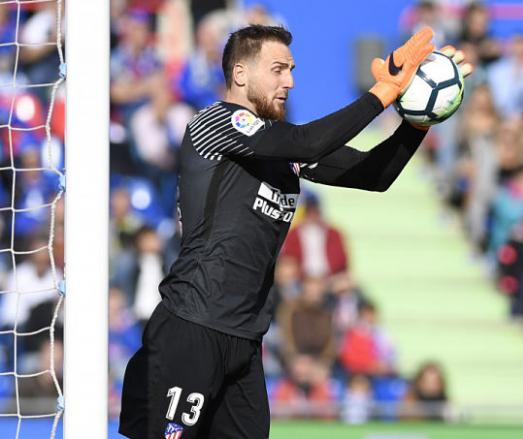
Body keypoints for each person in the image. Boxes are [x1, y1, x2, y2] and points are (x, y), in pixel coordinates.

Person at [119, 24, 472, 438]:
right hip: (192, 328)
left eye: (292, 70)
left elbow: (374, 174)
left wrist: (418, 118)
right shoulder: (214, 123)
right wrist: (383, 93)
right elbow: (307, 142)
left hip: (244, 342)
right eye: (278, 69)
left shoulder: (280, 151)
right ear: (240, 74)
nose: (289, 81)